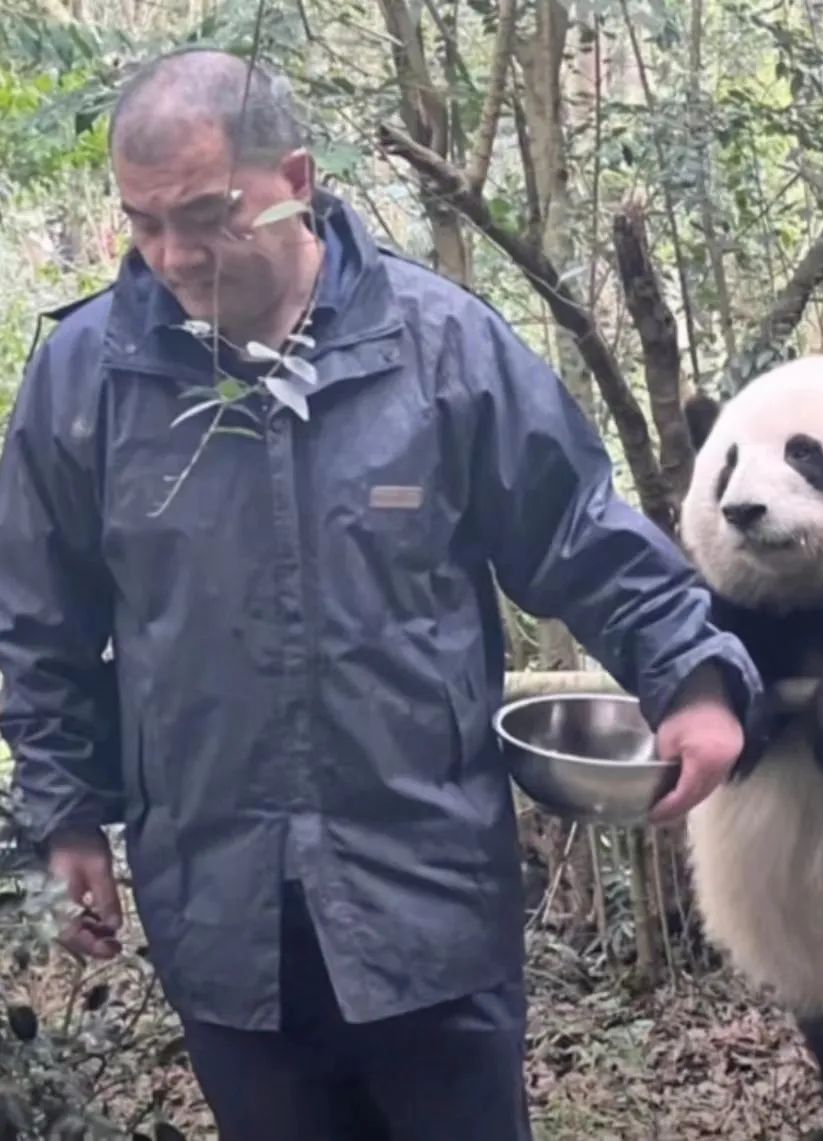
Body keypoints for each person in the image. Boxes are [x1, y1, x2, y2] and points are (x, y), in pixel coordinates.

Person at [0, 48, 762, 1141]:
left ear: (296, 179)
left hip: (427, 899)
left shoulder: (438, 347)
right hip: (218, 906)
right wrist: (66, 812)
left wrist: (691, 675)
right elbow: (42, 618)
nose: (172, 254)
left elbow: (577, 529)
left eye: (206, 214)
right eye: (142, 221)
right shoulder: (88, 378)